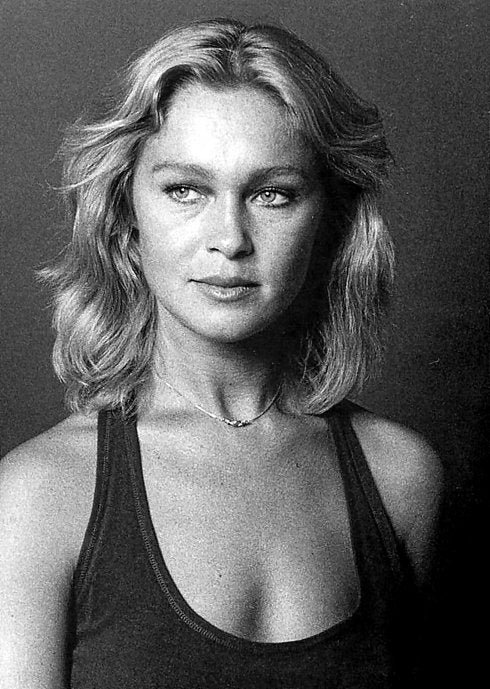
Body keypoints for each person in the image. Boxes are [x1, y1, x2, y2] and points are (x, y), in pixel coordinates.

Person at [0, 17, 442, 688]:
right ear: (125, 218)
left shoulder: (401, 477)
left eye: (272, 194)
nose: (230, 238)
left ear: (331, 220)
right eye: (186, 189)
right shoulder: (39, 497)